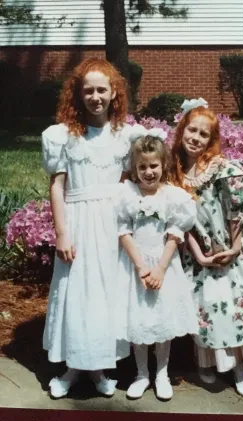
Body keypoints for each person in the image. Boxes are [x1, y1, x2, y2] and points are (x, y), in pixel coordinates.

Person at [170, 99, 243, 398]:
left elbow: (237, 213)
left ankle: (239, 367)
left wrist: (233, 249)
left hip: (229, 248)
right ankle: (206, 362)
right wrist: (198, 255)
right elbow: (180, 221)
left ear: (211, 140)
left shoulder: (222, 168)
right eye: (191, 130)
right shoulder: (176, 173)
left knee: (233, 304)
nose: (195, 138)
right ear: (181, 131)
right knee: (204, 306)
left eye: (203, 134)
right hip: (198, 251)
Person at [41, 57, 131, 398]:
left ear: (114, 93)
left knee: (104, 296)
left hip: (111, 226)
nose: (96, 97)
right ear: (78, 95)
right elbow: (57, 186)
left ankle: (97, 368)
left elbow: (126, 182)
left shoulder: (124, 136)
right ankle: (72, 369)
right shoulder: (63, 136)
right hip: (77, 223)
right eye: (88, 90)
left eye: (102, 90)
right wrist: (62, 231)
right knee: (77, 293)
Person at [116, 125, 198, 400]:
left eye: (153, 166)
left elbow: (176, 234)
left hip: (164, 264)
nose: (148, 172)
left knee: (162, 320)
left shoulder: (172, 196)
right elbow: (123, 232)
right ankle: (141, 374)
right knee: (139, 320)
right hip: (136, 266)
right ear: (134, 168)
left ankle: (161, 373)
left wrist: (160, 268)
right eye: (142, 167)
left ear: (163, 165)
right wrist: (140, 266)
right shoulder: (127, 194)